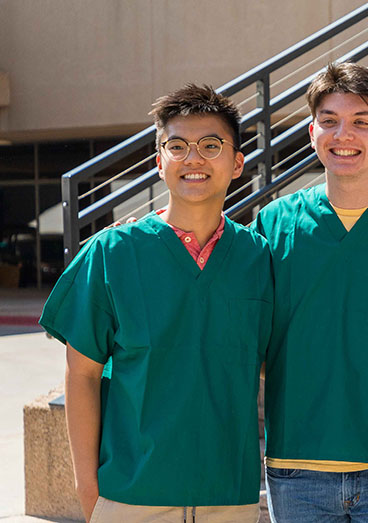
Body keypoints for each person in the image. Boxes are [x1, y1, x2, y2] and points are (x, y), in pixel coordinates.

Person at [40, 85, 272, 522]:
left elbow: (270, 366)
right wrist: (88, 490)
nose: (193, 159)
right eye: (177, 146)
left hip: (229, 497)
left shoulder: (258, 258)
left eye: (210, 145)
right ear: (158, 162)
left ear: (237, 162)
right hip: (130, 496)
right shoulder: (112, 253)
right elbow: (82, 374)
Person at [254, 63, 368, 522]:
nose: (342, 134)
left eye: (361, 122)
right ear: (312, 132)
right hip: (296, 465)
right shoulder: (273, 224)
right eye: (329, 120)